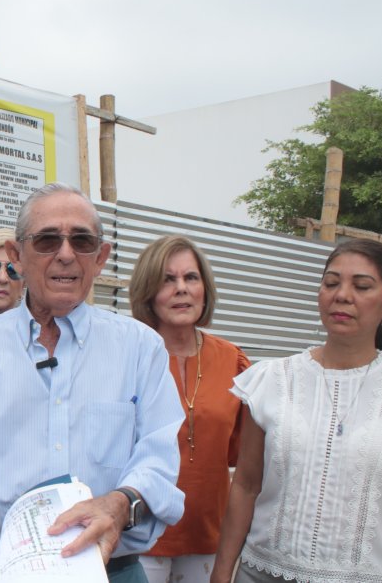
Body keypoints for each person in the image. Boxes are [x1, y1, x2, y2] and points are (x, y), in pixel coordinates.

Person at [0, 182, 184, 583]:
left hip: (112, 570)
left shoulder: (140, 349)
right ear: (18, 255)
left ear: (100, 258)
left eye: (82, 241)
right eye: (48, 240)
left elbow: (158, 459)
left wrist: (121, 503)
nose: (66, 254)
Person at [211, 238, 382, 583]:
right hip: (264, 573)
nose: (342, 295)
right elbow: (245, 485)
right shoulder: (272, 381)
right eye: (331, 283)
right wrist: (222, 573)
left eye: (361, 286)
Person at [127, 236, 250, 583]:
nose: (181, 289)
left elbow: (241, 456)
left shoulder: (234, 361)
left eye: (190, 278)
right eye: (168, 279)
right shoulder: (128, 357)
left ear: (205, 288)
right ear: (148, 290)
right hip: (140, 534)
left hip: (209, 537)